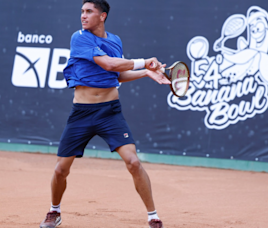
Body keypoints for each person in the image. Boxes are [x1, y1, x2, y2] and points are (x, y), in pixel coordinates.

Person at [39, 0, 170, 227]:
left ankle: (153, 216)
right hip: (81, 113)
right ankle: (54, 211)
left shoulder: (115, 40)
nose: (83, 16)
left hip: (110, 113)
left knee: (134, 163)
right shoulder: (79, 38)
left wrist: (146, 73)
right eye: (82, 11)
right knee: (61, 169)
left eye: (89, 11)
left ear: (103, 16)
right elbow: (109, 64)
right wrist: (144, 62)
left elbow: (117, 75)